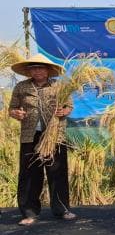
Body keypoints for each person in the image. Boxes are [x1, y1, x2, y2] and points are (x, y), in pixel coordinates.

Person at [9, 54, 76, 226]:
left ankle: (62, 209)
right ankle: (29, 212)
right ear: (29, 71)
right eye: (34, 68)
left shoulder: (59, 86)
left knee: (57, 172)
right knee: (29, 174)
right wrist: (16, 113)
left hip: (54, 135)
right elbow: (12, 108)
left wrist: (65, 111)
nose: (38, 71)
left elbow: (69, 105)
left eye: (41, 67)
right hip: (30, 136)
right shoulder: (21, 87)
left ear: (48, 70)